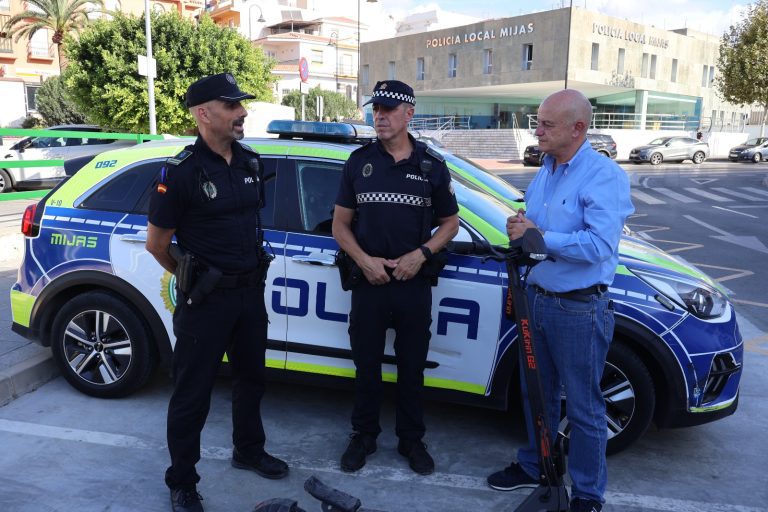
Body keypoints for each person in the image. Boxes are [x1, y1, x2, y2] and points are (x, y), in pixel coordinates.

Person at [486, 89, 634, 512]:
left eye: (547, 124)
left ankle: (587, 494)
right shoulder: (546, 170)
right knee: (537, 394)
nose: (538, 131)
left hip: (578, 309)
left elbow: (600, 246)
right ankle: (536, 465)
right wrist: (521, 226)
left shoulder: (603, 176)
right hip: (537, 298)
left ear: (578, 128)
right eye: (538, 122)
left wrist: (538, 236)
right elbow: (535, 226)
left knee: (584, 407)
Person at [146, 73, 288, 512]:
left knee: (252, 380)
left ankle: (248, 450)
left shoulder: (249, 162)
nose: (242, 112)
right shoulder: (182, 173)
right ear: (204, 114)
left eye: (241, 105)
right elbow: (157, 244)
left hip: (249, 295)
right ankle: (182, 481)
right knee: (192, 395)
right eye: (232, 106)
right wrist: (193, 278)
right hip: (205, 302)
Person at [332, 80, 459, 476]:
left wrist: (421, 255)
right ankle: (364, 435)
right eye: (376, 109)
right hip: (369, 283)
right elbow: (340, 225)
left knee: (412, 366)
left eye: (388, 109)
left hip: (412, 284)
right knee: (366, 365)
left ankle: (411, 439)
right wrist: (364, 261)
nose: (380, 116)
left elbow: (450, 224)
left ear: (409, 114)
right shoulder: (359, 162)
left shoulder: (430, 166)